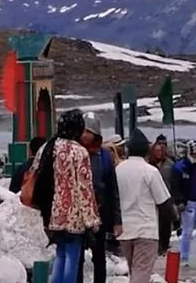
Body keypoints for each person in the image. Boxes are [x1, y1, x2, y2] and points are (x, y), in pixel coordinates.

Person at [31, 109, 101, 283]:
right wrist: (92, 221)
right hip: (74, 214)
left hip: (52, 213)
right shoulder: (79, 152)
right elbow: (84, 189)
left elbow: (34, 173)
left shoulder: (47, 147)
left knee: (60, 254)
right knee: (72, 257)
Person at [116, 129, 176, 283]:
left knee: (134, 272)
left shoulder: (118, 170)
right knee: (141, 274)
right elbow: (164, 203)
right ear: (146, 150)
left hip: (125, 231)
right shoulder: (150, 172)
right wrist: (166, 234)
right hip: (146, 230)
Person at [77, 115, 123, 283]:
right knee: (77, 257)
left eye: (89, 131)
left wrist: (117, 220)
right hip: (78, 214)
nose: (85, 135)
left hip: (100, 212)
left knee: (99, 256)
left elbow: (113, 188)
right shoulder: (75, 153)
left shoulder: (104, 156)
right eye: (83, 130)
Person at [148, 139, 175, 254]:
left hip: (167, 196)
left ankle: (164, 244)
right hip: (152, 199)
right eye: (156, 150)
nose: (158, 153)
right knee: (156, 223)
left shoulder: (170, 165)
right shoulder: (149, 165)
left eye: (160, 150)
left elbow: (174, 181)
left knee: (166, 222)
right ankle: (157, 245)